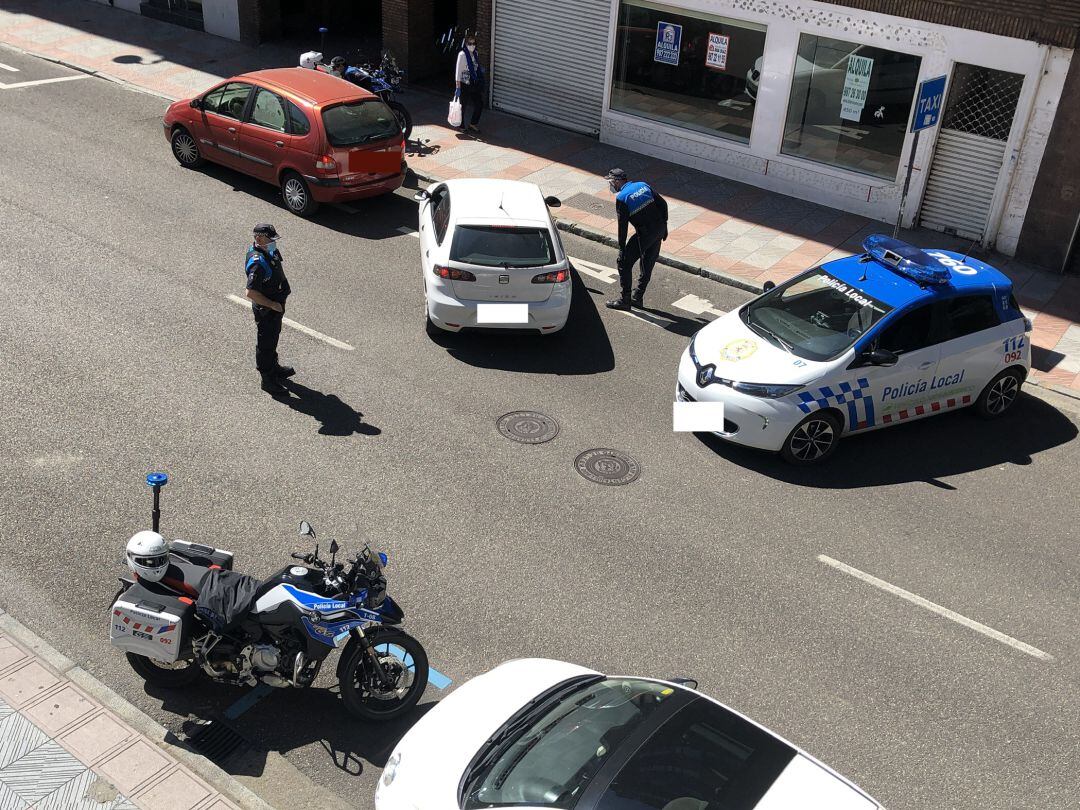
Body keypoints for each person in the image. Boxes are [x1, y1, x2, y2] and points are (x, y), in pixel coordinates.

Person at [604, 168, 669, 310]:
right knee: (648, 263)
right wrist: (664, 226)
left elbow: (623, 227)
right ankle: (638, 296)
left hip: (644, 234)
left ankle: (625, 300)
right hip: (659, 230)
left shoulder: (622, 198)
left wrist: (621, 248)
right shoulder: (643, 185)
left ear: (617, 181)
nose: (610, 185)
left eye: (610, 182)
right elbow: (663, 204)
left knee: (624, 263)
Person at [244, 224, 294, 396]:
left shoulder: (267, 250)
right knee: (266, 344)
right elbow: (250, 292)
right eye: (270, 239)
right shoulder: (257, 263)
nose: (273, 242)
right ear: (259, 238)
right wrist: (272, 305)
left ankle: (274, 367)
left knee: (273, 339)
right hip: (267, 310)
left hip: (276, 306)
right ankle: (268, 380)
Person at [454, 34, 485, 134]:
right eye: (470, 43)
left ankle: (473, 124)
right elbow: (458, 71)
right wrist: (458, 86)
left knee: (479, 104)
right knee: (463, 105)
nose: (472, 45)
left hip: (474, 83)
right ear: (466, 44)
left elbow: (476, 67)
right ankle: (461, 125)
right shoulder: (462, 54)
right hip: (464, 83)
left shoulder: (475, 53)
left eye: (474, 43)